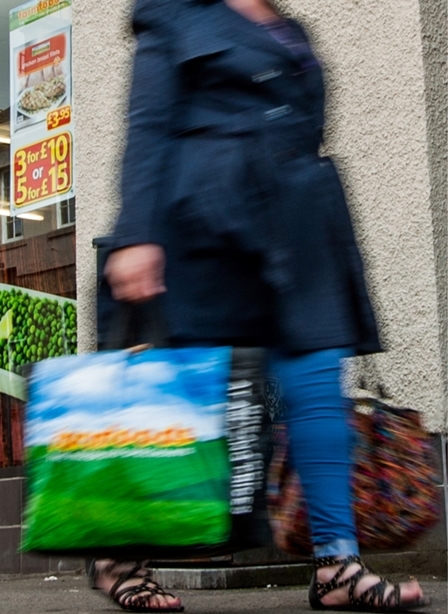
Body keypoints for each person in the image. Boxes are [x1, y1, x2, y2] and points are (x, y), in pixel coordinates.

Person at [93, 0, 431, 611]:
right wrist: (135, 234)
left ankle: (336, 562)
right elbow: (147, 125)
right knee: (182, 397)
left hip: (298, 224)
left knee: (316, 379)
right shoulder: (171, 14)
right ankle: (123, 556)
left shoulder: (287, 24)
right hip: (208, 225)